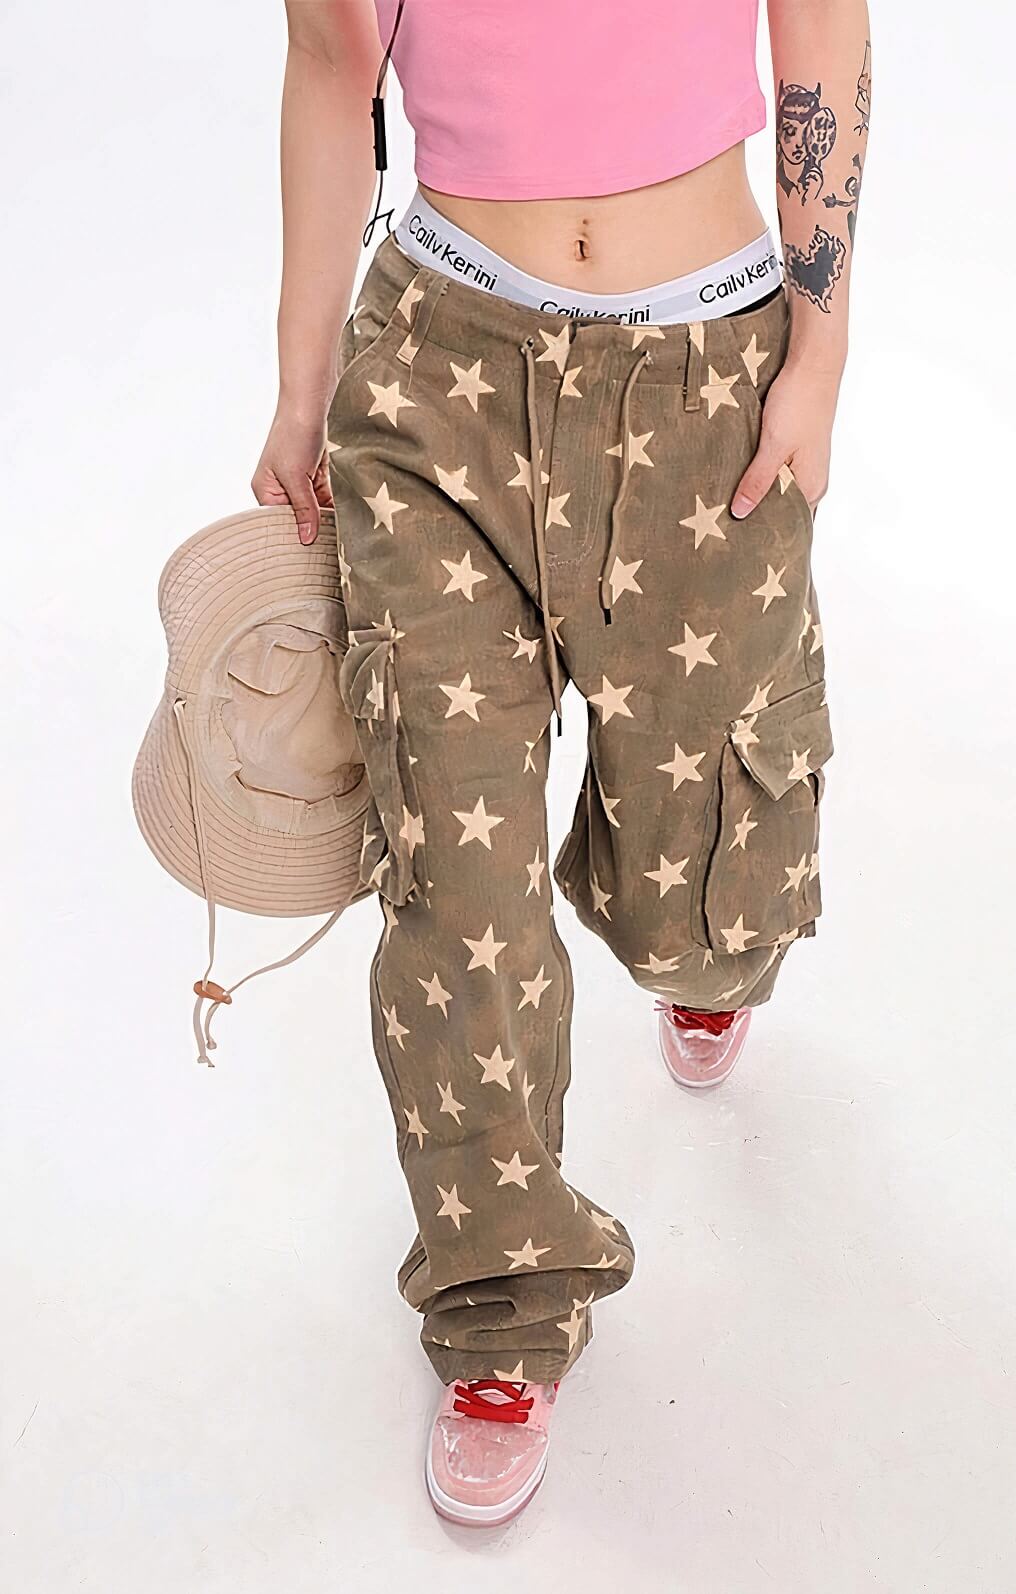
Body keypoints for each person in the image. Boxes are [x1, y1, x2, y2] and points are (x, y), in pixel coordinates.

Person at [253, 0, 871, 1528]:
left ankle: (703, 960)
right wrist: (299, 390)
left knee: (701, 873)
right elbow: (329, 67)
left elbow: (820, 33)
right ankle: (499, 1305)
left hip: (707, 374)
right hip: (437, 385)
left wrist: (819, 350)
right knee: (451, 879)